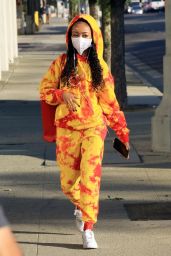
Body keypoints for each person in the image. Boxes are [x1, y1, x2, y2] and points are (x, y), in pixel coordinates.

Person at [40, 14, 130, 249]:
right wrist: (62, 94)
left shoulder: (99, 66)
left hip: (93, 128)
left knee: (90, 178)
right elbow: (45, 91)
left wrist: (122, 131)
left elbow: (110, 102)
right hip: (67, 131)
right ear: (69, 37)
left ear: (94, 38)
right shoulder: (60, 63)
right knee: (68, 184)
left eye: (85, 35)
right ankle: (82, 208)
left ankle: (89, 228)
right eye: (76, 35)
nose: (80, 39)